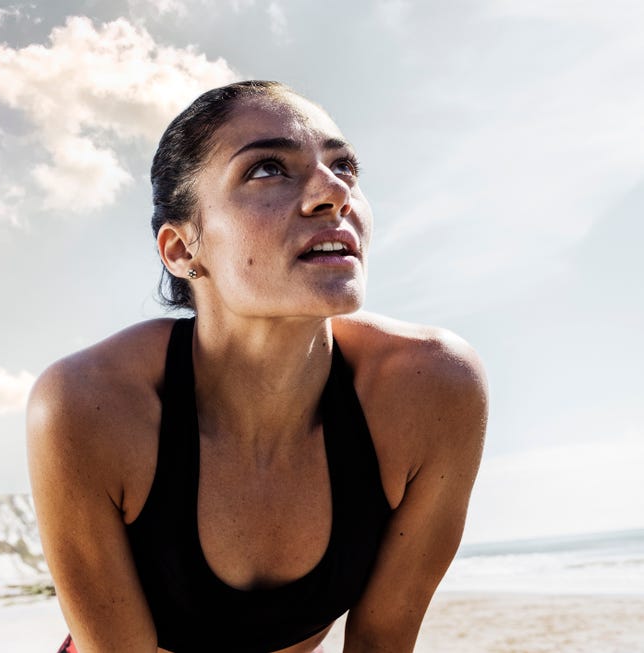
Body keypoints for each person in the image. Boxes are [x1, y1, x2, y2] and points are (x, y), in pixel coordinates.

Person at [27, 80, 487, 653]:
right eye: (268, 169)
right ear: (181, 249)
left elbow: (382, 639)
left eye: (345, 167)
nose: (332, 191)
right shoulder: (90, 404)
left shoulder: (432, 387)